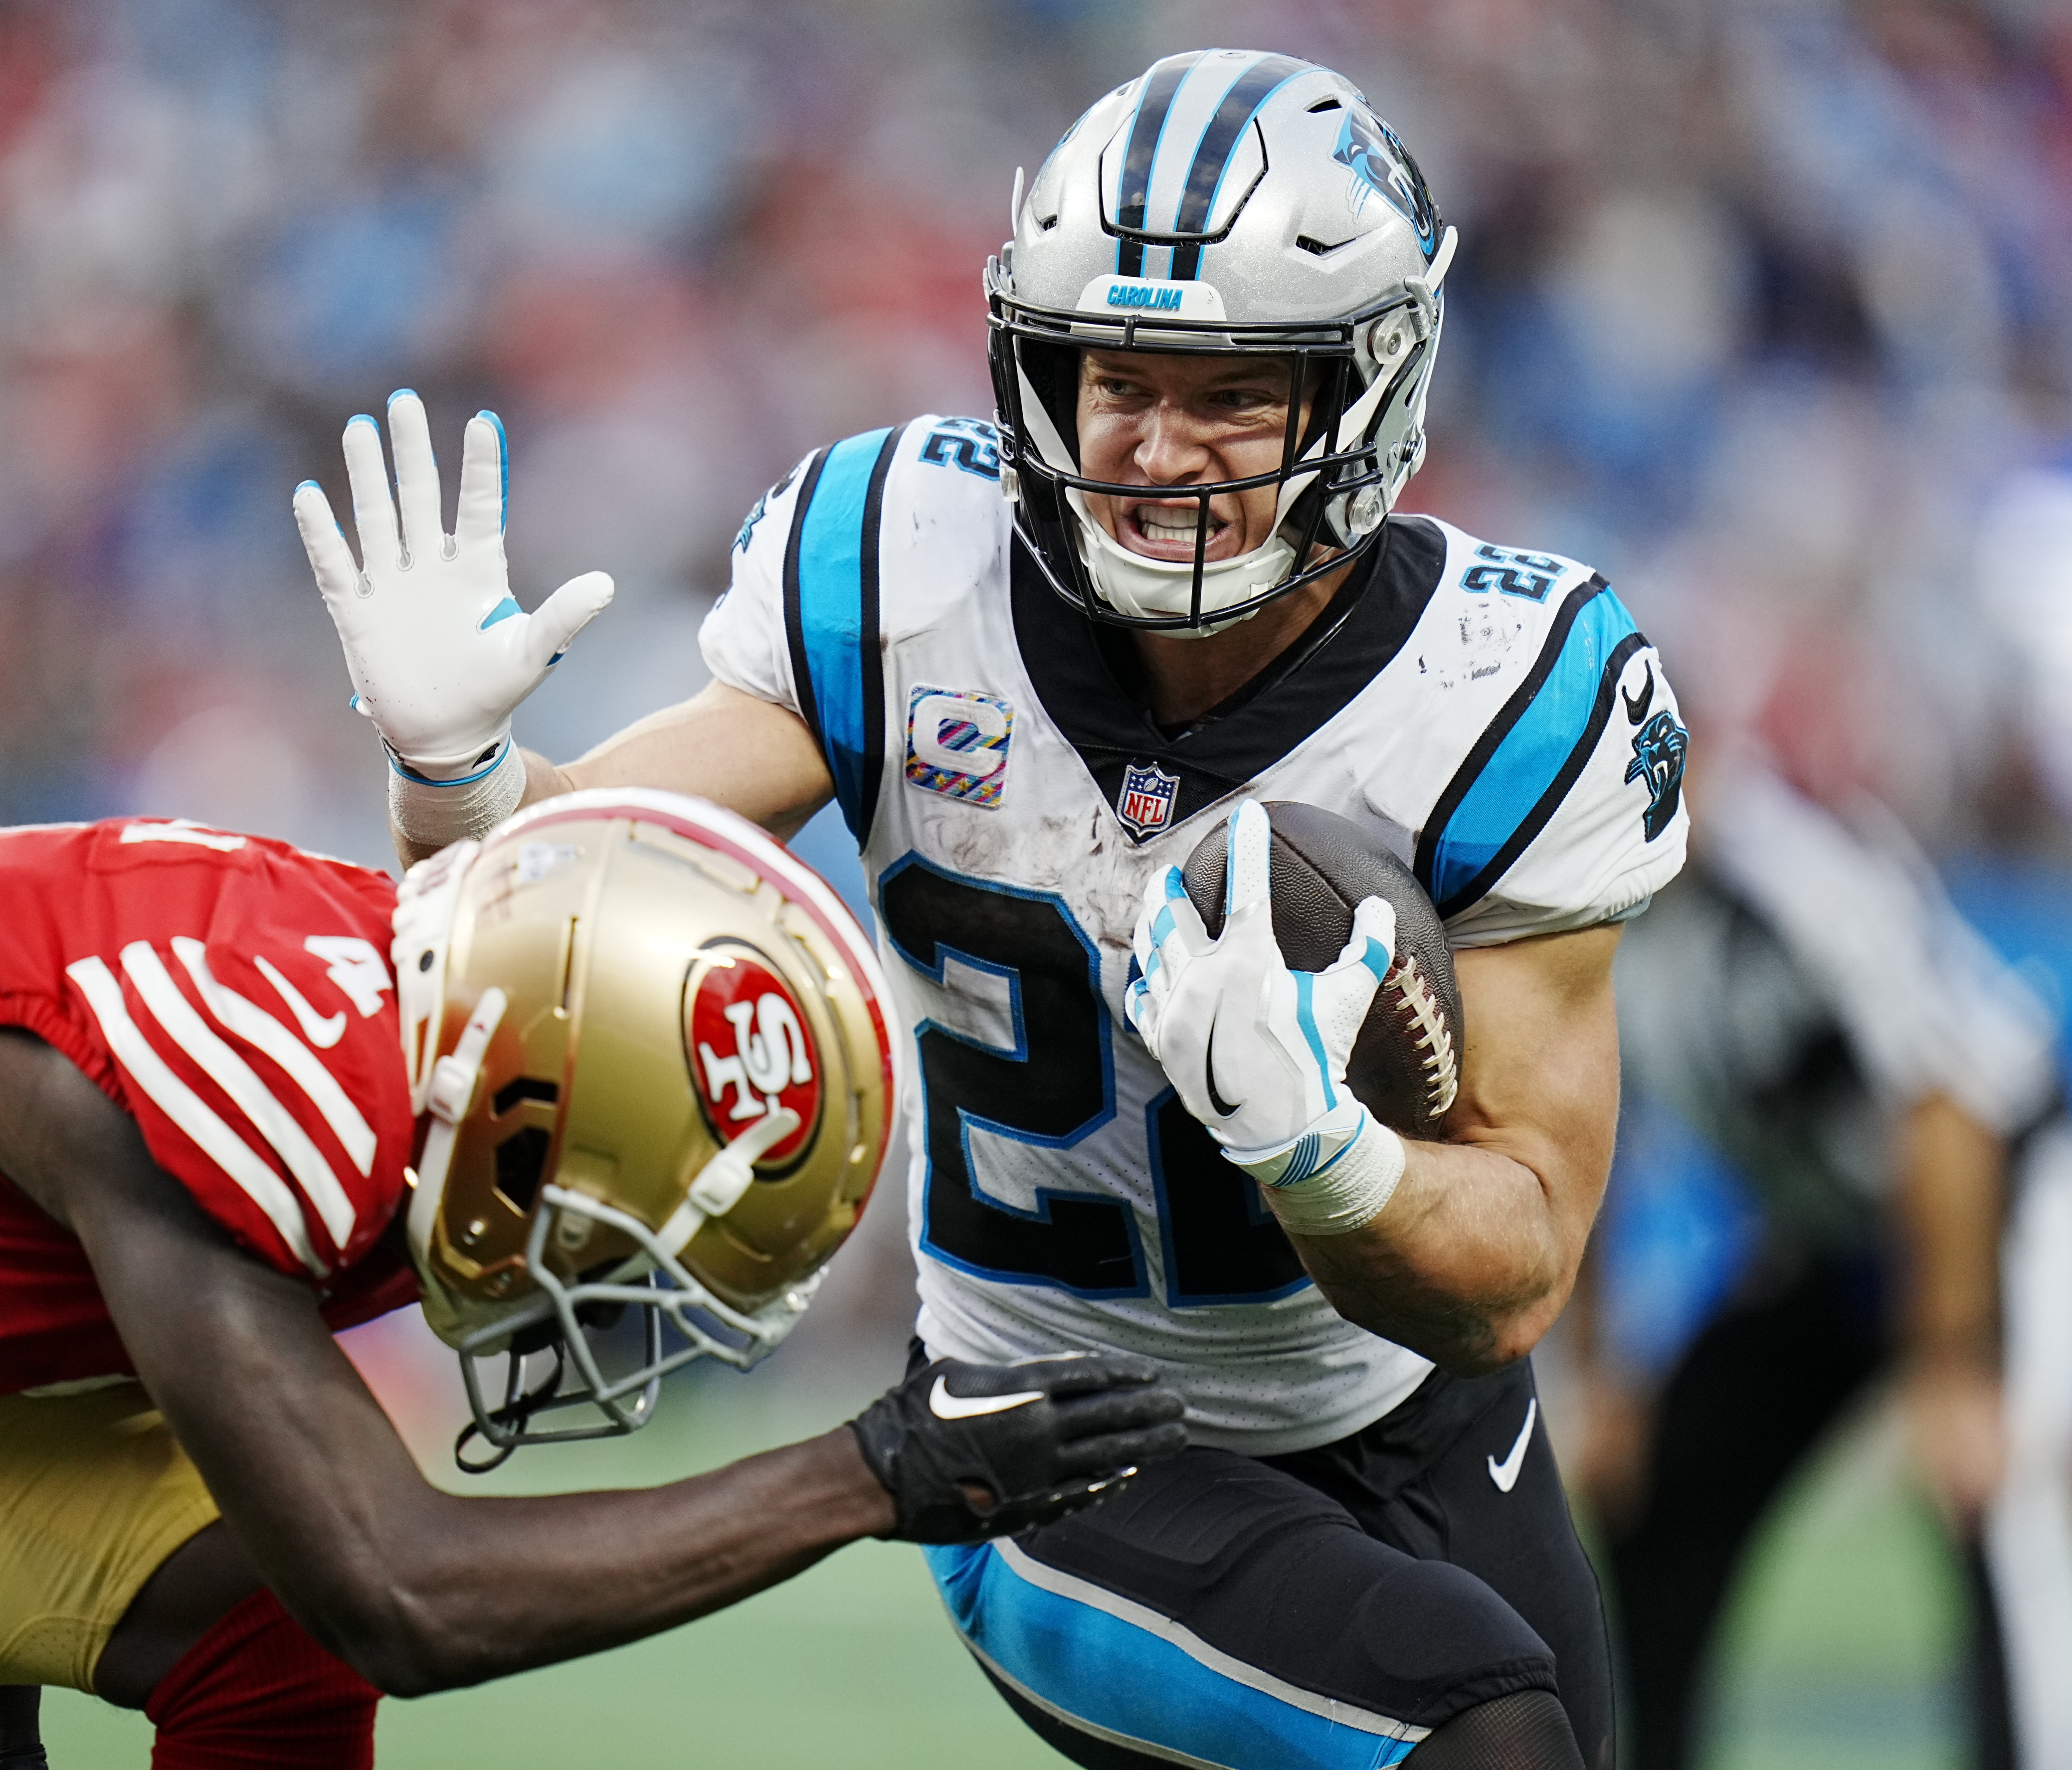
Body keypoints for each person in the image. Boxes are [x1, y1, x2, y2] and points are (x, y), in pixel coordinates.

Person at [300, 48, 1691, 1770]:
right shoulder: (904, 558)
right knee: (1478, 1735)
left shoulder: (1506, 685)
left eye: (1228, 394)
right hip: (1046, 1430)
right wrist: (456, 776)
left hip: (1411, 1415)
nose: (1152, 449)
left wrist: (1313, 1150)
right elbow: (545, 915)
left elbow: (1510, 1266)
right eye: (1113, 378)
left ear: (1366, 387)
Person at [0, 792, 1187, 1770]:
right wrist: (868, 1475)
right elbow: (398, 1603)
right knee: (320, 1565)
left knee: (253, 1593)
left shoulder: (398, 1043)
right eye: (604, 1225)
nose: (602, 1297)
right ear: (529, 1100)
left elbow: (26, 1295)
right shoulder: (243, 1086)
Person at [1573, 750, 2060, 1770]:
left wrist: (1954, 1363)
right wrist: (1605, 1371)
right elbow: (1584, 1147)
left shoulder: (1795, 873)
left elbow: (1948, 1111)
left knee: (1997, 1510)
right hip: (1841, 1236)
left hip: (2002, 1203)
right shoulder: (1589, 908)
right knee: (1669, 1476)